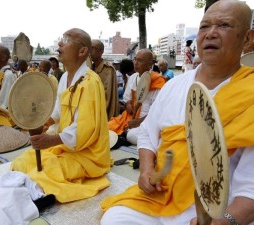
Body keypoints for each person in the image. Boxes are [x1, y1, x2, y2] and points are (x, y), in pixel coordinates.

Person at [101, 1, 254, 225]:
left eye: (224, 25)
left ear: (248, 39)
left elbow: (250, 187)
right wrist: (145, 171)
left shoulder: (250, 95)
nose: (210, 34)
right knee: (114, 219)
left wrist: (227, 220)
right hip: (161, 196)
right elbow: (147, 135)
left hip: (216, 211)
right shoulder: (174, 86)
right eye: (204, 27)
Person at [12, 28, 111, 203]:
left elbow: (85, 128)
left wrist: (52, 140)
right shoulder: (65, 77)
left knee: (43, 172)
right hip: (67, 145)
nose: (59, 43)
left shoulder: (90, 82)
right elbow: (58, 110)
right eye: (61, 38)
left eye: (66, 39)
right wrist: (44, 123)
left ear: (82, 51)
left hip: (87, 154)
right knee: (24, 160)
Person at [108, 49, 165, 145]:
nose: (135, 63)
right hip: (130, 117)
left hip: (147, 121)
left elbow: (158, 112)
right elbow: (127, 99)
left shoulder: (157, 81)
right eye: (135, 59)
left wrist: (138, 122)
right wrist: (128, 105)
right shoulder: (133, 77)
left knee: (132, 135)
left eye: (140, 61)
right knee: (107, 126)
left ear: (150, 64)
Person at [90, 39, 119, 120]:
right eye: (89, 48)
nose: (89, 51)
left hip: (102, 111)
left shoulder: (108, 69)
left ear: (101, 52)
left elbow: (108, 95)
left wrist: (98, 113)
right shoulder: (90, 68)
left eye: (92, 48)